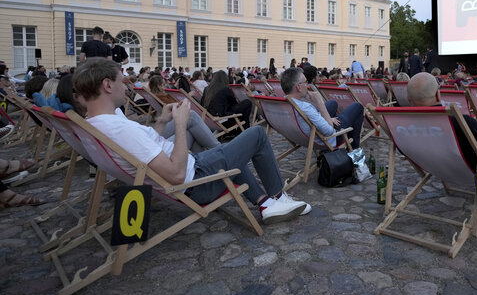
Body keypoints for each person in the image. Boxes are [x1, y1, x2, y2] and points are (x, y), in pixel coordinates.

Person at [73, 58, 309, 223]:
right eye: (120, 80)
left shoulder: (96, 124)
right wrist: (179, 122)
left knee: (226, 149)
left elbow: (145, 147)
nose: (126, 85)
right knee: (256, 135)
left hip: (189, 171)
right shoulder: (117, 128)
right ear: (106, 85)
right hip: (194, 183)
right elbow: (176, 175)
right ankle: (278, 197)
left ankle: (264, 202)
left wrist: (163, 122)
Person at [407, 72, 477, 166]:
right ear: (437, 96)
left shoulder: (402, 126)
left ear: (409, 100)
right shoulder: (461, 123)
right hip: (472, 170)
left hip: (435, 167)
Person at [282, 67, 364, 150]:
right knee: (358, 107)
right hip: (328, 138)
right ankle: (354, 151)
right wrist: (320, 102)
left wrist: (327, 118)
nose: (307, 85)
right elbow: (329, 131)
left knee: (332, 103)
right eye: (305, 82)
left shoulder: (283, 103)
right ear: (299, 87)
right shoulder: (305, 108)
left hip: (301, 136)